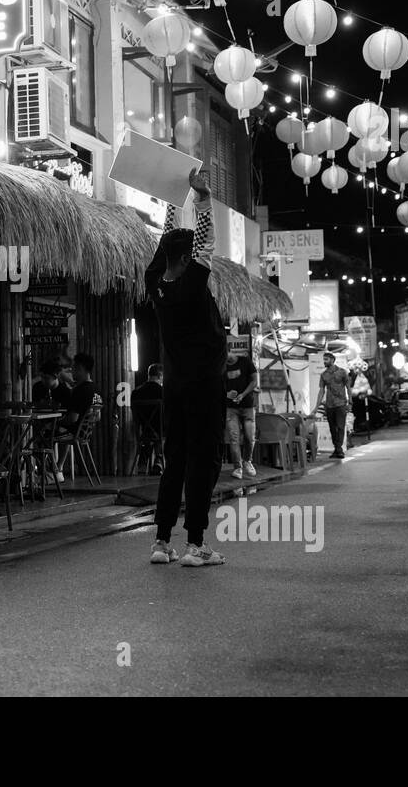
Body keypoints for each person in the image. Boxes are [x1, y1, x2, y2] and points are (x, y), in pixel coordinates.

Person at [145, 167, 228, 567]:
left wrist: (172, 201)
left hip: (174, 388)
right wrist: (202, 198)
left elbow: (167, 246)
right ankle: (196, 544)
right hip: (205, 386)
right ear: (187, 257)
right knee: (203, 461)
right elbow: (206, 241)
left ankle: (162, 542)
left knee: (173, 461)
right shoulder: (194, 284)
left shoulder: (154, 283)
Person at [225, 348, 258, 479]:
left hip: (248, 406)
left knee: (250, 437)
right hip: (230, 408)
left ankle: (247, 461)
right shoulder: (221, 366)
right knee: (234, 438)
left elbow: (254, 381)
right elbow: (216, 386)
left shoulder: (245, 362)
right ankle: (237, 467)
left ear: (231, 351)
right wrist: (226, 394)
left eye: (226, 354)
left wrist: (243, 395)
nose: (226, 358)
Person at [313, 352, 350, 459]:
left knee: (340, 427)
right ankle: (337, 449)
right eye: (324, 359)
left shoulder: (342, 372)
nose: (324, 362)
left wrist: (350, 402)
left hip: (341, 404)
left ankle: (339, 449)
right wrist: (316, 407)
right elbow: (321, 391)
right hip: (329, 405)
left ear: (333, 360)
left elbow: (348, 387)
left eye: (326, 359)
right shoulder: (324, 375)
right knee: (332, 428)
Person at [62, 352, 100, 435]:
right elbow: (98, 416)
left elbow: (73, 418)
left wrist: (59, 421)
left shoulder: (80, 390)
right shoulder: (96, 389)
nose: (71, 372)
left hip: (73, 432)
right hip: (86, 433)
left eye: (73, 368)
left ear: (80, 368)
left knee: (46, 430)